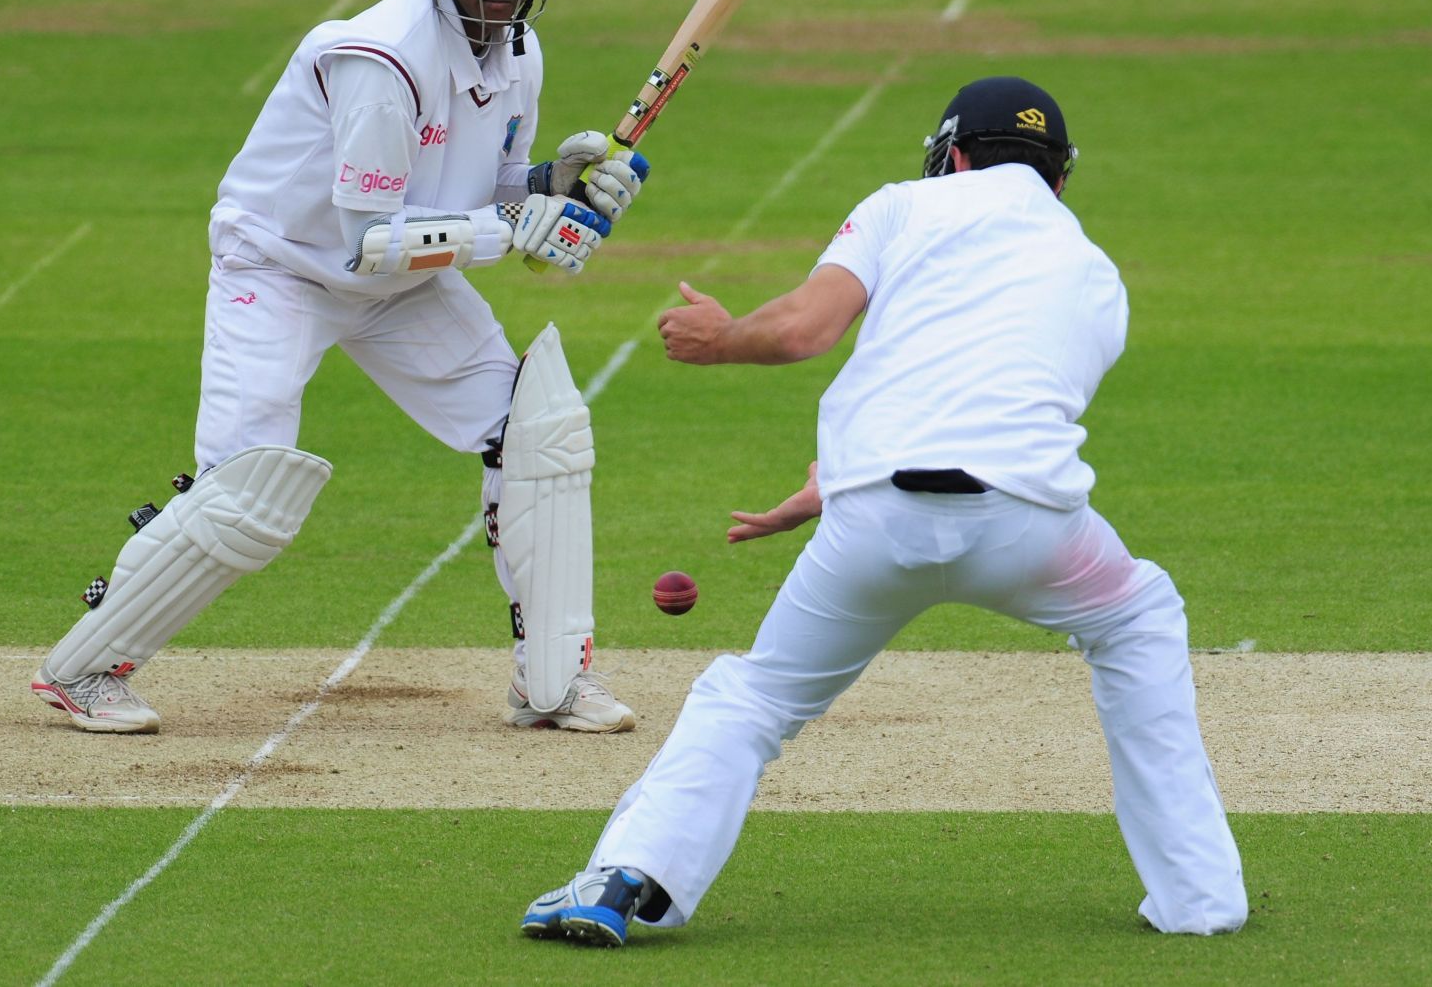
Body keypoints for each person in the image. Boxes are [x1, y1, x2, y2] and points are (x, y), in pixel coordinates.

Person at [521, 76, 1247, 945]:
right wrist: (836, 475)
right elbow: (998, 404)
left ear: (954, 154)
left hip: (872, 530)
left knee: (750, 698)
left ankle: (621, 879)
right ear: (1058, 176)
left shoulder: (904, 205)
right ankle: (1201, 900)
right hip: (1034, 532)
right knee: (1139, 618)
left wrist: (724, 341)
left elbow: (803, 331)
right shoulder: (1096, 271)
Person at [31, 0, 647, 736]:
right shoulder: (382, 57)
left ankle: (554, 681)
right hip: (284, 269)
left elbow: (487, 187)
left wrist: (555, 186)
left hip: (402, 287)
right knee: (247, 490)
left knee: (539, 429)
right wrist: (517, 223)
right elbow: (370, 234)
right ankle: (88, 667)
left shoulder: (518, 55)